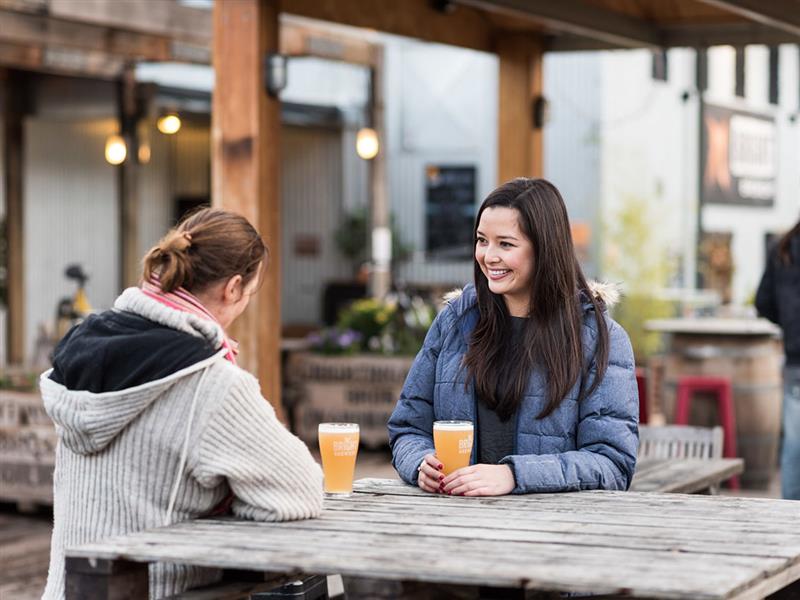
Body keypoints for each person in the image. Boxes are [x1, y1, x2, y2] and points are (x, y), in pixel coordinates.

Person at [41, 208, 324, 599]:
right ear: (233, 288)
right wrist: (228, 501)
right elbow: (301, 490)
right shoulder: (212, 384)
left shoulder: (81, 356)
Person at [388, 178, 638, 496]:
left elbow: (612, 464)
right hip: (454, 525)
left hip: (552, 533)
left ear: (544, 249)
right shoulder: (454, 323)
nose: (489, 256)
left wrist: (514, 476)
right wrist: (419, 462)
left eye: (505, 244)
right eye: (482, 240)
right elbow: (408, 427)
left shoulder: (599, 340)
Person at [755, 218, 800, 500]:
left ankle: (791, 522)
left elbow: (762, 302)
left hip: (796, 359)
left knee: (795, 445)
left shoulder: (782, 247)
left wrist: (788, 321)